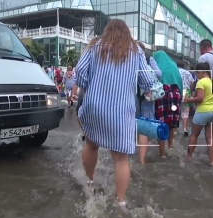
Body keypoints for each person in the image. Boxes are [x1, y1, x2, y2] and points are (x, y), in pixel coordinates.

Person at [75, 20, 158, 208]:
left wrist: (89, 86)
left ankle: (89, 182)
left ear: (107, 31)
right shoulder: (135, 51)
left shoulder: (95, 45)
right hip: (121, 112)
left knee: (91, 144)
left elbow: (79, 71)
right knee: (121, 159)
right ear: (127, 33)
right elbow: (149, 81)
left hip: (94, 107)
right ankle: (121, 202)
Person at [183, 62, 213, 168]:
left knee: (194, 135)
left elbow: (200, 98)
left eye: (197, 72)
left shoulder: (201, 82)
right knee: (211, 138)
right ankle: (212, 162)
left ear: (203, 72)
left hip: (203, 111)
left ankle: (189, 157)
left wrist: (187, 99)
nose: (197, 75)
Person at [136, 43, 164, 163]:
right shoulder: (148, 60)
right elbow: (159, 74)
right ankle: (142, 157)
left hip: (138, 96)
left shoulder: (131, 59)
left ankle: (140, 158)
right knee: (144, 125)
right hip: (149, 96)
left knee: (140, 126)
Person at [152, 50, 183, 155]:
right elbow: (180, 82)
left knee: (161, 123)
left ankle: (162, 153)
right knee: (172, 123)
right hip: (176, 94)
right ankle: (170, 147)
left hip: (162, 94)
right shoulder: (173, 65)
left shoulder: (157, 66)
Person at [177, 61, 195, 136]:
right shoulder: (187, 72)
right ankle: (185, 128)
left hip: (177, 91)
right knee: (185, 112)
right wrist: (190, 90)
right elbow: (193, 82)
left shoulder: (175, 71)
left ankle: (175, 129)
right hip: (187, 92)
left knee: (176, 110)